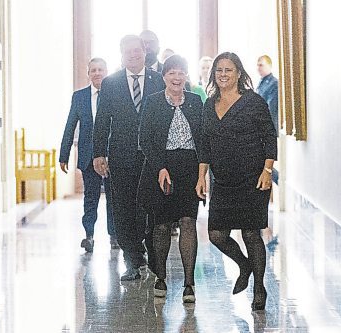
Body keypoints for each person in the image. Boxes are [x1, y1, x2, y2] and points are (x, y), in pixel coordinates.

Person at [196, 52, 277, 311]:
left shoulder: (253, 102)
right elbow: (205, 144)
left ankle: (259, 288)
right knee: (216, 234)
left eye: (228, 70)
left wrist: (267, 170)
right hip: (222, 180)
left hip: (252, 178)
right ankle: (244, 265)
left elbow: (269, 137)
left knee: (251, 233)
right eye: (219, 70)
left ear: (239, 73)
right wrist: (201, 176)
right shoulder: (209, 105)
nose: (223, 74)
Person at [93, 35, 165, 281]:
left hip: (152, 157)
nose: (133, 55)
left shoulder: (158, 80)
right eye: (128, 52)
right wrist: (98, 153)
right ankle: (132, 259)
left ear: (144, 51)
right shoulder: (111, 83)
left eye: (137, 51)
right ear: (121, 54)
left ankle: (152, 254)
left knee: (150, 207)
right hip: (121, 156)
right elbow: (102, 120)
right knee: (123, 207)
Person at [138, 55, 203, 303]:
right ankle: (161, 277)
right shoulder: (153, 102)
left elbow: (204, 140)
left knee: (188, 222)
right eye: (171, 73)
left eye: (181, 73)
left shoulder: (196, 102)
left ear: (186, 76)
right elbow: (145, 140)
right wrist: (161, 167)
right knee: (162, 224)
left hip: (189, 168)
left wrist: (202, 173)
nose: (177, 78)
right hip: (160, 168)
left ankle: (189, 283)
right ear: (164, 76)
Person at [59, 58, 118, 253]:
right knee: (90, 198)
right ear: (88, 73)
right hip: (87, 155)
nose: (97, 73)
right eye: (93, 70)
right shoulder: (80, 97)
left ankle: (114, 236)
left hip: (112, 156)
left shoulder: (115, 95)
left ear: (106, 71)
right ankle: (89, 235)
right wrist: (64, 154)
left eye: (101, 69)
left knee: (113, 198)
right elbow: (70, 125)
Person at [256, 55, 278, 136]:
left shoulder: (274, 83)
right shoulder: (261, 83)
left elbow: (271, 108)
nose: (258, 68)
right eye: (257, 65)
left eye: (261, 65)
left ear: (269, 66)